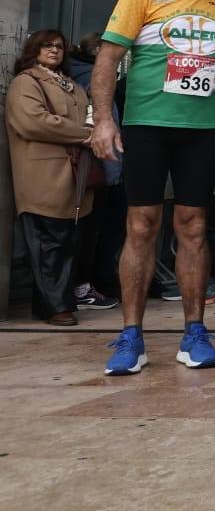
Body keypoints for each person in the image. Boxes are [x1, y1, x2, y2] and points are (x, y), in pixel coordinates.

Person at [91, 0, 215, 375]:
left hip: (199, 132)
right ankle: (131, 336)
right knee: (141, 225)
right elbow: (108, 57)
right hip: (147, 125)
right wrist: (102, 120)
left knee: (194, 227)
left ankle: (194, 330)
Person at [5, 30, 96, 326]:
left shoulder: (71, 84)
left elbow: (89, 117)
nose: (54, 50)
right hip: (42, 175)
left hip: (74, 175)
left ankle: (54, 303)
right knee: (47, 242)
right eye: (47, 45)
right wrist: (86, 134)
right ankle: (56, 306)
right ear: (34, 49)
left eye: (59, 46)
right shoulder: (25, 82)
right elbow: (33, 122)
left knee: (67, 242)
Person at [66, 32, 121, 310]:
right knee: (90, 232)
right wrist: (114, 174)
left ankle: (87, 286)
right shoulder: (92, 78)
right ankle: (83, 288)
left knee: (92, 232)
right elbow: (94, 127)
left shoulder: (76, 74)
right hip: (94, 168)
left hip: (92, 168)